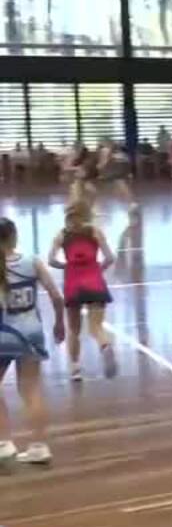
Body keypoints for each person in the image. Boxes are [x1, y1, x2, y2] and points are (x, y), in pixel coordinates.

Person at [0, 217, 66, 465]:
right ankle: (39, 446)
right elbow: (56, 296)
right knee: (31, 391)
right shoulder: (32, 261)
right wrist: (59, 323)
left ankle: (4, 442)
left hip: (4, 333)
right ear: (14, 236)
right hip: (32, 333)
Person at [47, 199, 116, 381]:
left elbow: (50, 260)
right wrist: (98, 269)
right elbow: (110, 258)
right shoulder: (95, 232)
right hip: (95, 282)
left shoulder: (61, 235)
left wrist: (66, 266)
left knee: (74, 329)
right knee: (96, 327)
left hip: (73, 284)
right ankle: (105, 346)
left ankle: (75, 369)